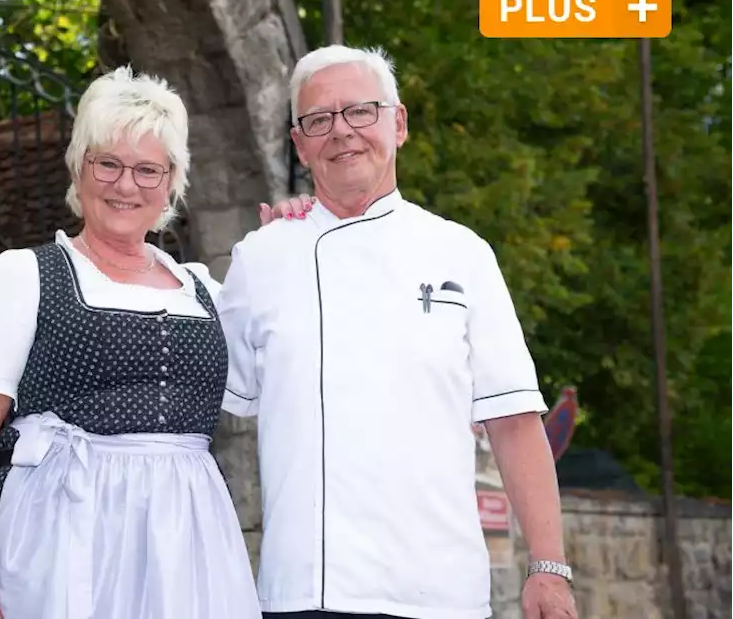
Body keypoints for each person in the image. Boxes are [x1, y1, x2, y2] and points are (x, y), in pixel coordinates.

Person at [219, 45, 578, 619]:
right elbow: (201, 396)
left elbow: (513, 421)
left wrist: (549, 567)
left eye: (360, 111)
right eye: (318, 120)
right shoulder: (262, 257)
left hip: (442, 592)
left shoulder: (462, 253)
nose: (342, 132)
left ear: (399, 123)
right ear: (299, 144)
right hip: (305, 591)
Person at [0, 65, 299, 619]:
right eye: (107, 163)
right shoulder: (23, 277)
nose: (126, 185)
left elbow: (287, 368)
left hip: (189, 541)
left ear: (172, 182)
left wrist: (289, 250)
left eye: (148, 170)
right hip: (63, 537)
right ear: (79, 168)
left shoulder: (203, 288)